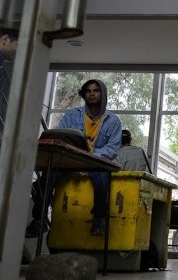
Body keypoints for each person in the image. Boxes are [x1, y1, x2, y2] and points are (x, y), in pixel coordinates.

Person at [27, 79, 122, 237]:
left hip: (94, 163)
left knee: (103, 176)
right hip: (70, 161)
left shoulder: (113, 121)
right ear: (84, 95)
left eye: (96, 90)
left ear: (103, 94)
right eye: (88, 91)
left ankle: (99, 220)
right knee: (48, 176)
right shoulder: (71, 116)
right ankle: (39, 220)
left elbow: (112, 149)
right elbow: (62, 137)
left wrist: (90, 155)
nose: (92, 94)